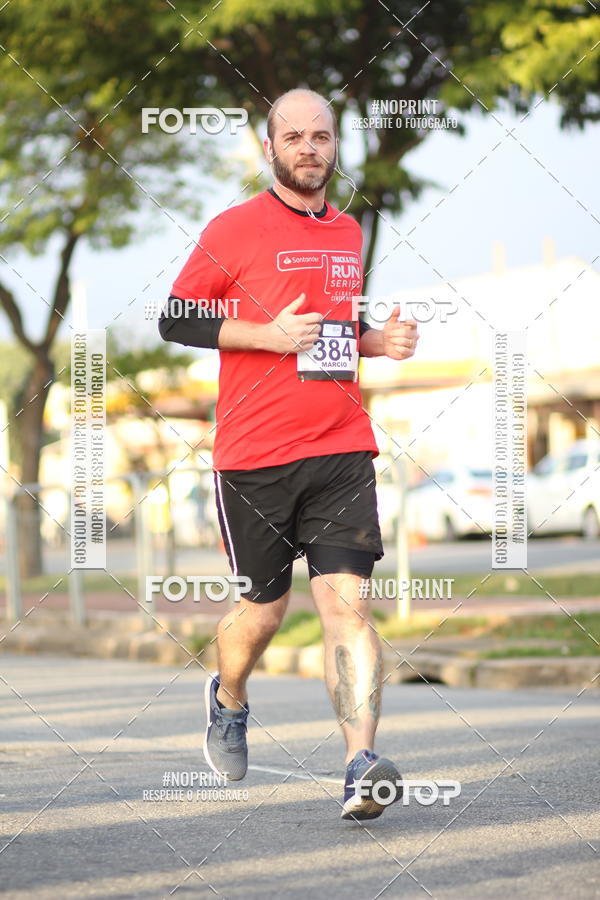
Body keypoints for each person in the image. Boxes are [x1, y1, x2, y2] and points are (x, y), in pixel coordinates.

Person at [159, 87, 419, 820]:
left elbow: (331, 330)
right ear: (269, 148)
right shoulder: (234, 227)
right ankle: (229, 696)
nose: (309, 148)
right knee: (264, 611)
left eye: (321, 136)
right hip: (254, 458)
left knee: (348, 607)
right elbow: (176, 318)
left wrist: (375, 341)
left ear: (336, 146)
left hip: (340, 446)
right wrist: (265, 334)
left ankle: (360, 764)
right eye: (294, 136)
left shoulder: (347, 231)